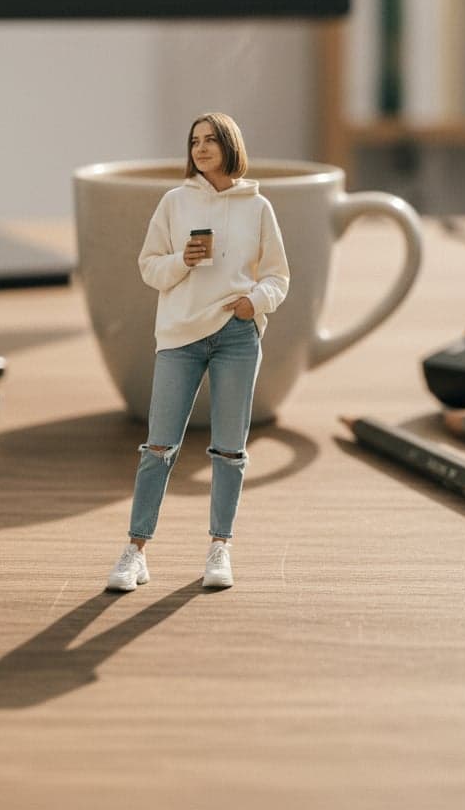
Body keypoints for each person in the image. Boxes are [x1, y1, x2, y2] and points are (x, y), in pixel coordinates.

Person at [106, 113, 290, 592]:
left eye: (211, 140)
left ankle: (219, 547)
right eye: (194, 141)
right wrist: (179, 263)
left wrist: (256, 303)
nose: (201, 148)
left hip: (235, 333)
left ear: (230, 145)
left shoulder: (258, 206)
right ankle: (135, 550)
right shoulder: (175, 201)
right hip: (180, 336)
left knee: (230, 449)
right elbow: (149, 265)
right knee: (159, 446)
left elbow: (278, 275)